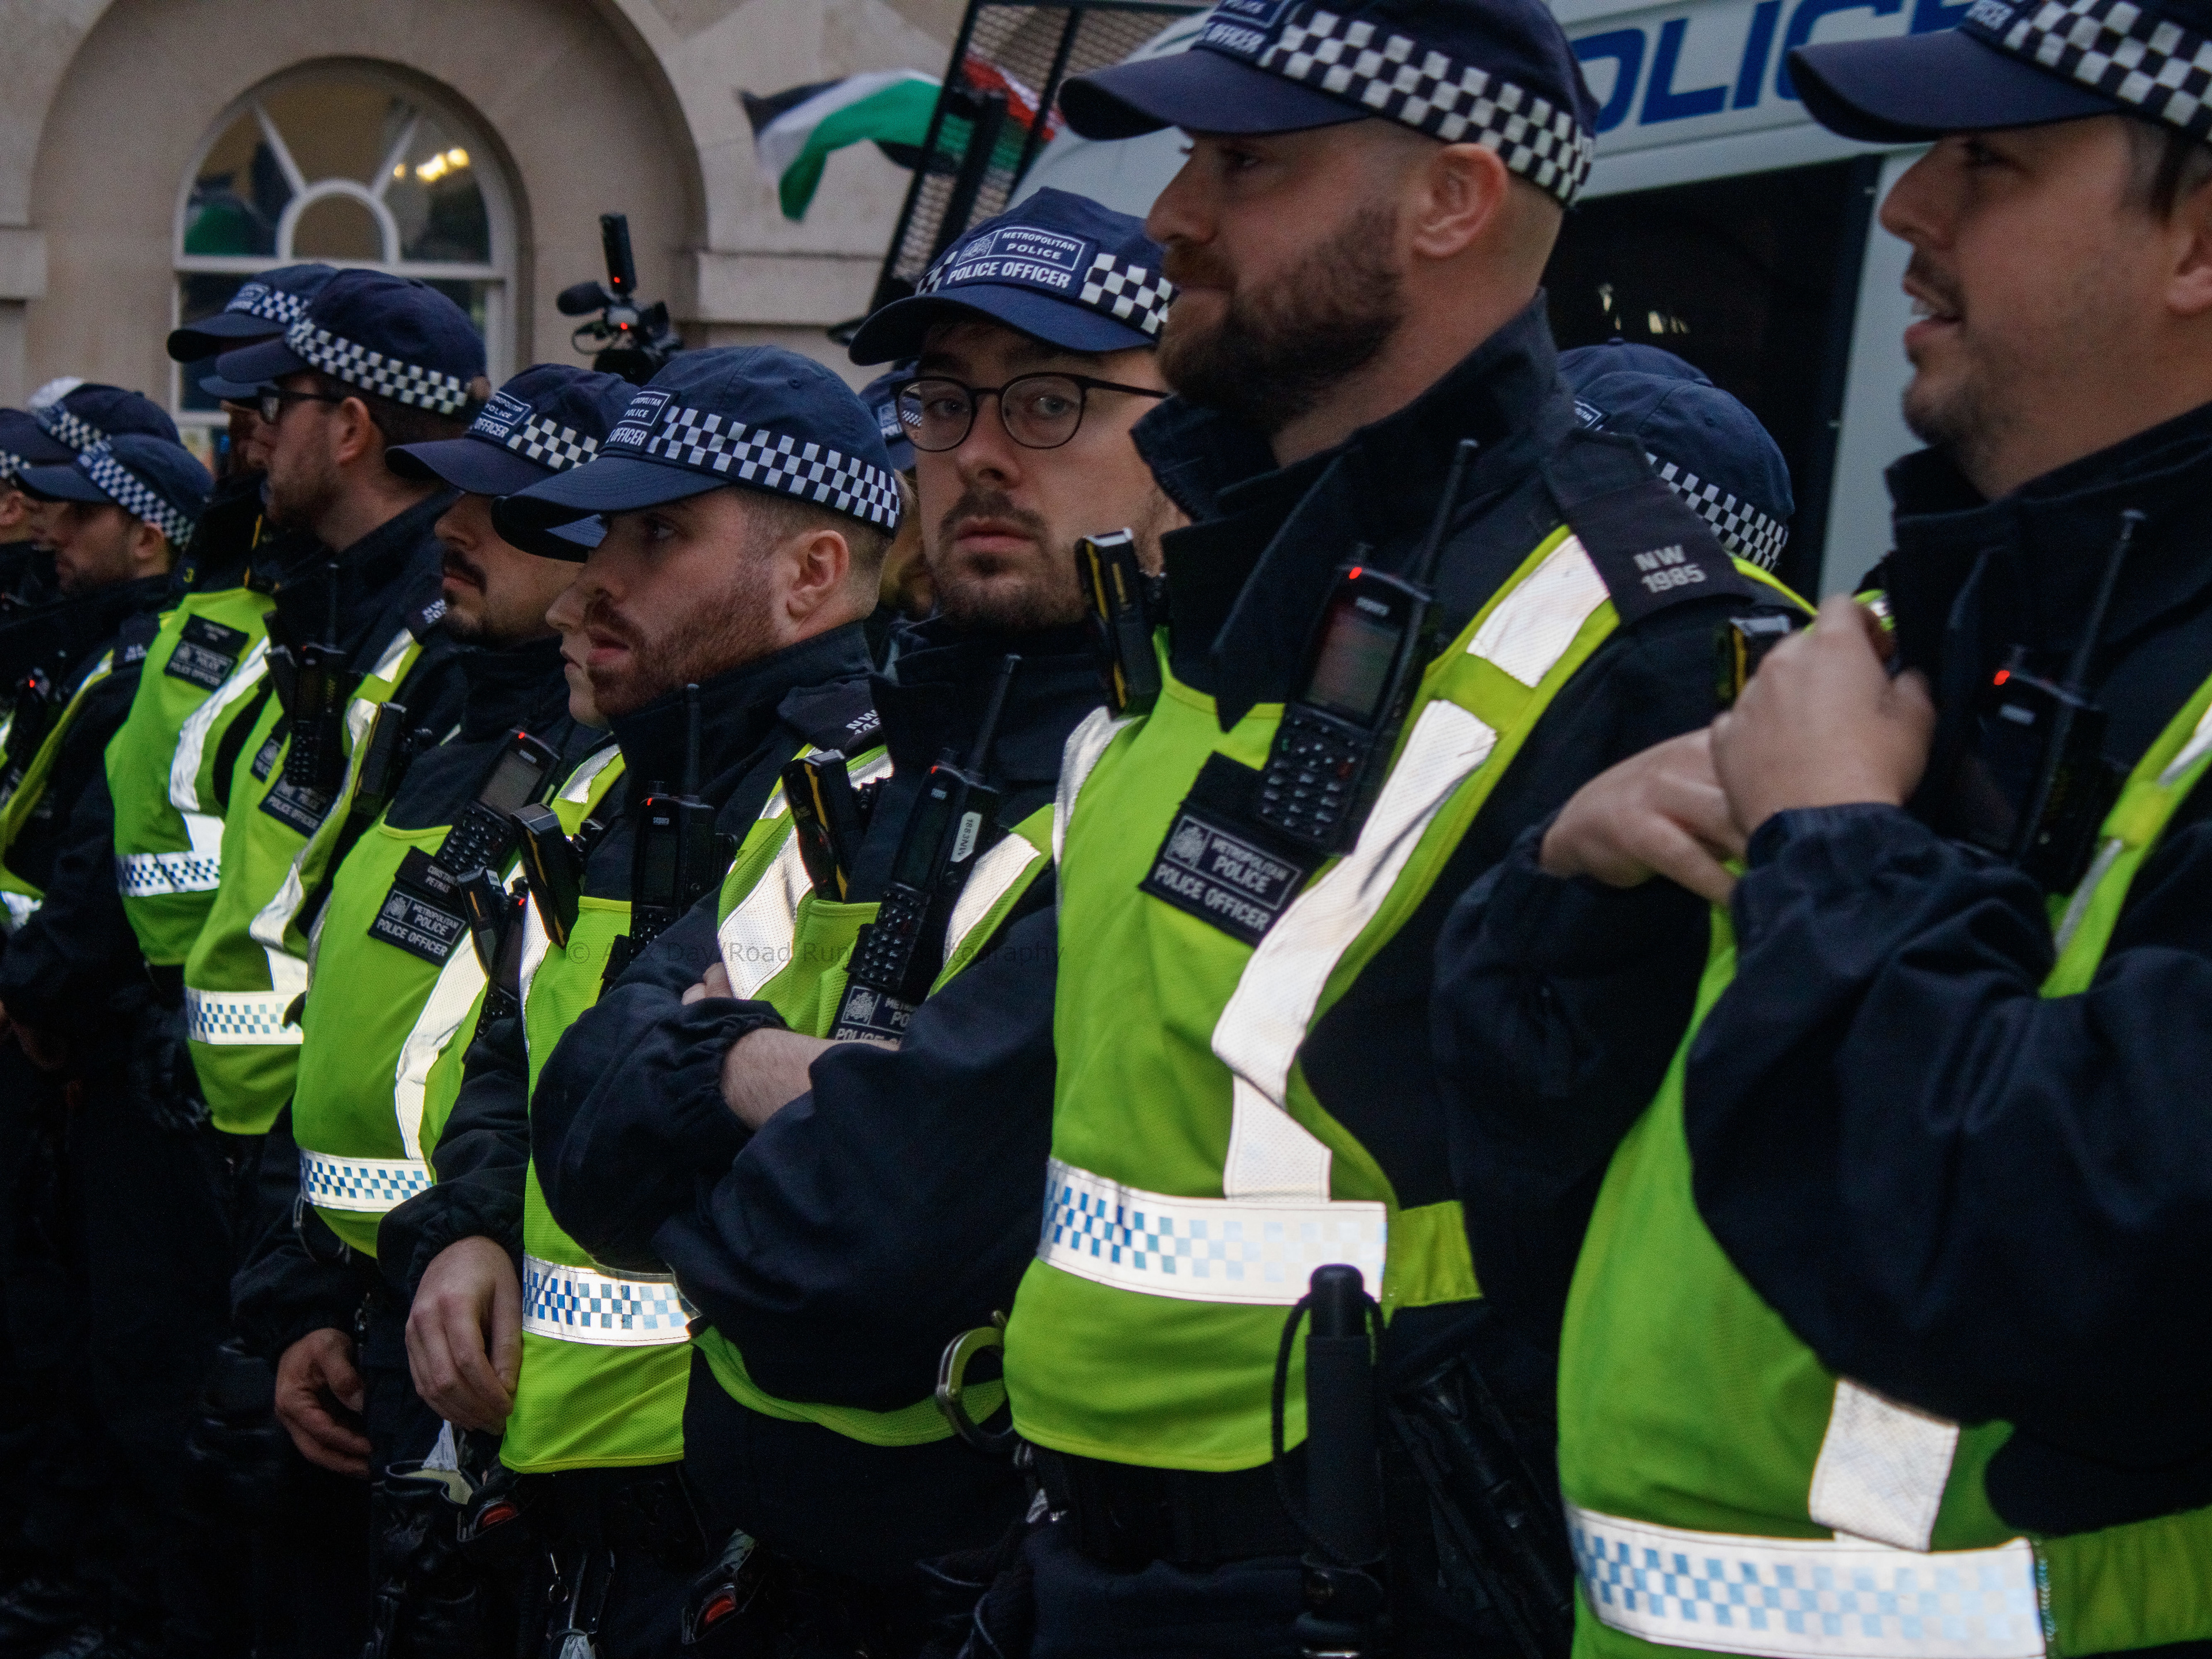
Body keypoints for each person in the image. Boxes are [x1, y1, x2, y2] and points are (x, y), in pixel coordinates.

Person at [543, 0, 1781, 1649]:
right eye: (1191, 156)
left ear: (1451, 201)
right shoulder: (1224, 621)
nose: (1178, 214)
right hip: (1091, 1565)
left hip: (1359, 1580)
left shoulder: (1646, 639)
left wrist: (743, 1107)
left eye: (1246, 163)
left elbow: (902, 1218)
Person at [1452, 5, 2212, 1651]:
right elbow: (1590, 1216)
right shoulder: (1954, 615)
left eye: (1990, 160)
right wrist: (1572, 902)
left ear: (2199, 242)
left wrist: (1834, 846)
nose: (1906, 209)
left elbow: (2079, 1254)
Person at [528, 189, 1181, 1650]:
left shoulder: (1174, 770)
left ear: (1182, 436)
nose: (983, 453)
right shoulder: (874, 765)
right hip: (770, 1570)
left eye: (1054, 401)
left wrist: (729, 1088)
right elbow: (587, 1122)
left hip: (994, 1588)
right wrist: (768, 1077)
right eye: (944, 400)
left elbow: (866, 1257)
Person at [377, 346, 899, 1658]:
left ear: (812, 575)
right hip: (560, 1485)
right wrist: (468, 1229)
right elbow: (508, 1053)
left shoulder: (880, 808)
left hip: (745, 1526)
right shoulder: (604, 788)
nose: (596, 579)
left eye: (661, 533)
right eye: (606, 528)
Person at [225, 363, 634, 1656]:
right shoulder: (450, 723)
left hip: (474, 1342)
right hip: (363, 1322)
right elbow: (363, 1019)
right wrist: (301, 1290)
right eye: (454, 497)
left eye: (501, 511)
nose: (450, 532)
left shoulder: (609, 769)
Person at [181, 269, 484, 1149]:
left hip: (315, 1143)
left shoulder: (443, 631)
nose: (259, 434)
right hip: (260, 1119)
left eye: (282, 402)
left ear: (351, 427)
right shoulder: (336, 595)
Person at [0, 434, 211, 1659]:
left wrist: (39, 1001)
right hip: (62, 1031)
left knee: (106, 1348)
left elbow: (106, 866)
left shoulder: (145, 656)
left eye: (81, 519)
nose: (48, 532)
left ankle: (104, 1587)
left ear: (147, 537)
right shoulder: (82, 641)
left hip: (106, 1059)